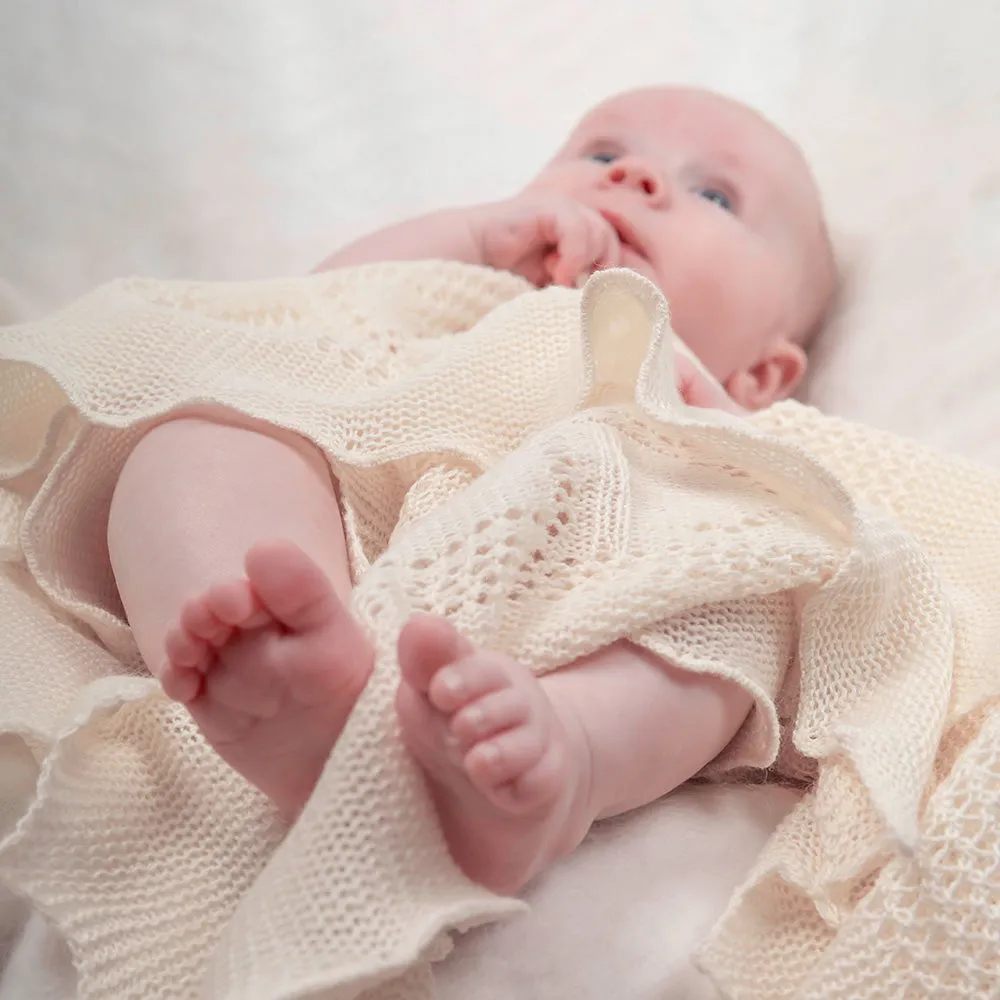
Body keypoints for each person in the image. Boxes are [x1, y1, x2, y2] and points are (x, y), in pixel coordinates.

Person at [106, 85, 836, 896]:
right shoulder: (472, 293)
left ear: (766, 373)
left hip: (571, 626)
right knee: (213, 421)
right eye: (600, 153)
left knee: (741, 601)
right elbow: (309, 310)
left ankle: (566, 756)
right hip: (345, 539)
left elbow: (823, 531)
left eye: (713, 193)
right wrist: (477, 238)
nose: (635, 177)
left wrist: (732, 441)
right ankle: (261, 645)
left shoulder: (721, 415)